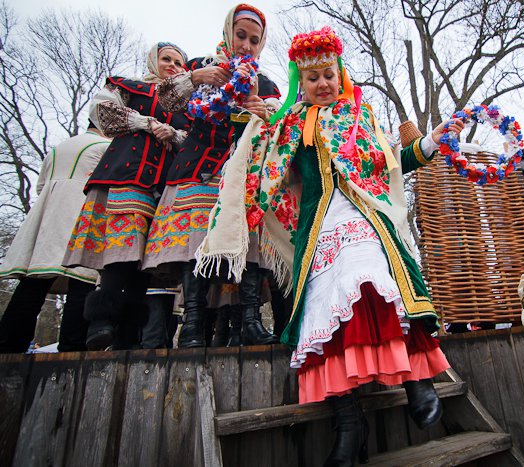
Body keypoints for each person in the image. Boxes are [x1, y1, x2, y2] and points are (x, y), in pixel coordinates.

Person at [196, 27, 460, 465]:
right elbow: (270, 170)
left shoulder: (362, 115)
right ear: (301, 82)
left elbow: (392, 162)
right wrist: (259, 122)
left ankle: (418, 381)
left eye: (328, 75)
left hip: (367, 217)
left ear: (340, 75)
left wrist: (431, 141)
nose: (322, 83)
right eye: (312, 77)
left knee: (375, 281)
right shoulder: (291, 123)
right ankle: (348, 424)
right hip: (318, 227)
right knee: (324, 313)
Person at [143, 3, 281, 348]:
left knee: (248, 245)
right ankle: (192, 325)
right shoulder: (200, 67)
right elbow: (165, 102)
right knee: (195, 245)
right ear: (227, 32)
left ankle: (250, 321)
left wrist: (265, 113)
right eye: (240, 35)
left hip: (244, 173)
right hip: (197, 168)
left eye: (254, 40)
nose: (246, 45)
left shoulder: (265, 83)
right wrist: (195, 78)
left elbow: (281, 125)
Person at [63, 42, 191, 350]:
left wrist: (173, 135)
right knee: (121, 252)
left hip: (163, 184)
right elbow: (102, 112)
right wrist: (146, 123)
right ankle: (101, 321)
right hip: (126, 173)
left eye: (178, 63)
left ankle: (128, 335)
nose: (172, 66)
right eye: (166, 59)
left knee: (145, 261)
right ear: (153, 61)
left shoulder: (186, 106)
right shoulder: (131, 87)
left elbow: (194, 138)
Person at [0, 122, 111, 353]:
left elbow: (40, 187)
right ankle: (73, 347)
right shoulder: (107, 147)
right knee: (82, 278)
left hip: (46, 219)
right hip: (84, 214)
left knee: (33, 281)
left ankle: (9, 346)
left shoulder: (59, 148)